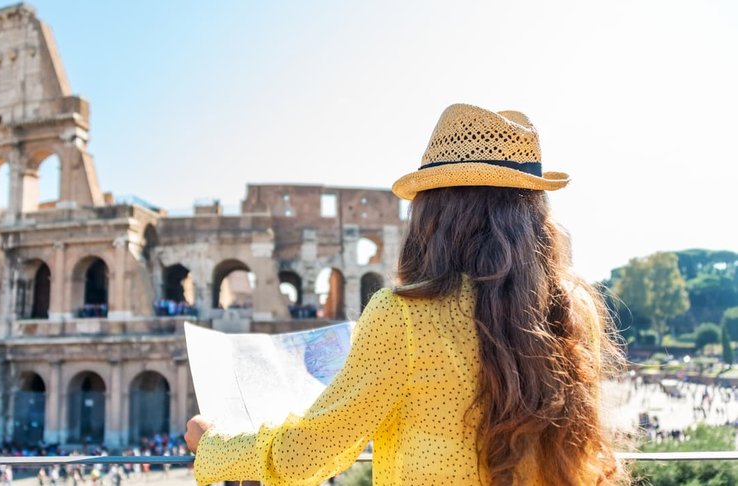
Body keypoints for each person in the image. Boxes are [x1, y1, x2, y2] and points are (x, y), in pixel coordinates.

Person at [185, 103, 625, 485]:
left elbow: (313, 452)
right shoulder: (573, 308)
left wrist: (216, 447)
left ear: (434, 213)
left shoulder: (405, 316)